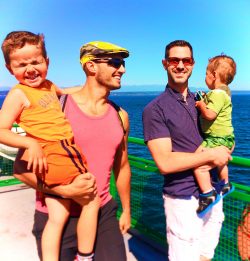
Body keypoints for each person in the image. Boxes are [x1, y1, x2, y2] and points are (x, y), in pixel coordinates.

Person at [12, 40, 131, 261]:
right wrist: (65, 192)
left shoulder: (120, 116)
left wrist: (126, 210)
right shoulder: (58, 108)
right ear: (91, 66)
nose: (122, 69)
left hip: (103, 212)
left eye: (122, 64)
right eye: (115, 62)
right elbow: (20, 170)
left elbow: (122, 167)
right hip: (58, 214)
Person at [0, 31, 100, 261]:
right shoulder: (19, 94)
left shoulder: (48, 86)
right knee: (92, 200)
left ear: (47, 62)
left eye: (35, 61)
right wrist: (29, 142)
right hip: (57, 153)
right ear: (9, 69)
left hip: (53, 158)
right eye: (21, 64)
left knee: (58, 217)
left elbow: (67, 92)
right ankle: (86, 256)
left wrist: (91, 83)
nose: (30, 69)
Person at [143, 40, 232, 261]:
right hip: (182, 198)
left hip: (213, 193)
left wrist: (227, 145)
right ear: (165, 64)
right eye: (174, 60)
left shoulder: (201, 101)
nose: (180, 65)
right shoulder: (155, 109)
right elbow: (164, 162)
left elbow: (221, 129)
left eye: (186, 60)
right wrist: (213, 154)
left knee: (205, 255)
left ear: (192, 64)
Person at [194, 54, 236, 215]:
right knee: (220, 163)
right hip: (223, 138)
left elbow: (210, 115)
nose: (205, 77)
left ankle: (207, 194)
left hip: (216, 139)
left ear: (214, 75)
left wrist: (200, 105)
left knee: (198, 165)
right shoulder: (224, 94)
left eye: (206, 74)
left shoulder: (218, 94)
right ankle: (225, 184)